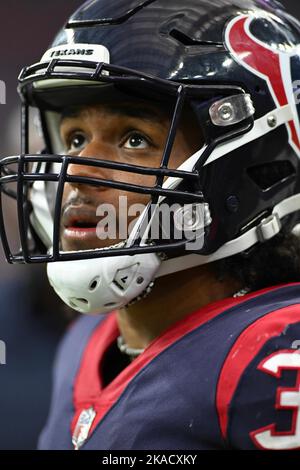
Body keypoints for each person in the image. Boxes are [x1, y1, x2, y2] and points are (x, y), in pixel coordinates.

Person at [1, 0, 300, 450]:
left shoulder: (273, 355)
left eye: (134, 139)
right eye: (75, 138)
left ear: (247, 166)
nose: (77, 172)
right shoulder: (91, 335)